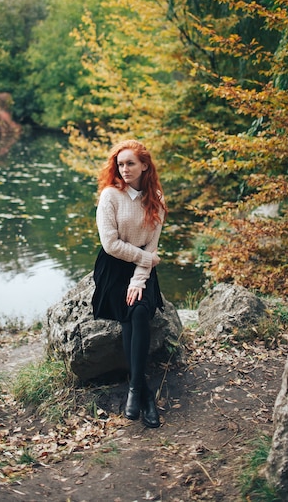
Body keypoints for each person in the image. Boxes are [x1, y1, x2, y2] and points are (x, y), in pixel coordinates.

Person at [92, 139, 167, 428]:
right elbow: (110, 244)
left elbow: (152, 245)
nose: (124, 169)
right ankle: (144, 392)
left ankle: (136, 388)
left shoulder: (156, 199)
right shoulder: (110, 196)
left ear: (144, 165)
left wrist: (141, 275)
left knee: (137, 311)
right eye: (120, 164)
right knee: (128, 312)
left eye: (130, 163)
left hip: (142, 268)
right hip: (113, 267)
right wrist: (148, 259)